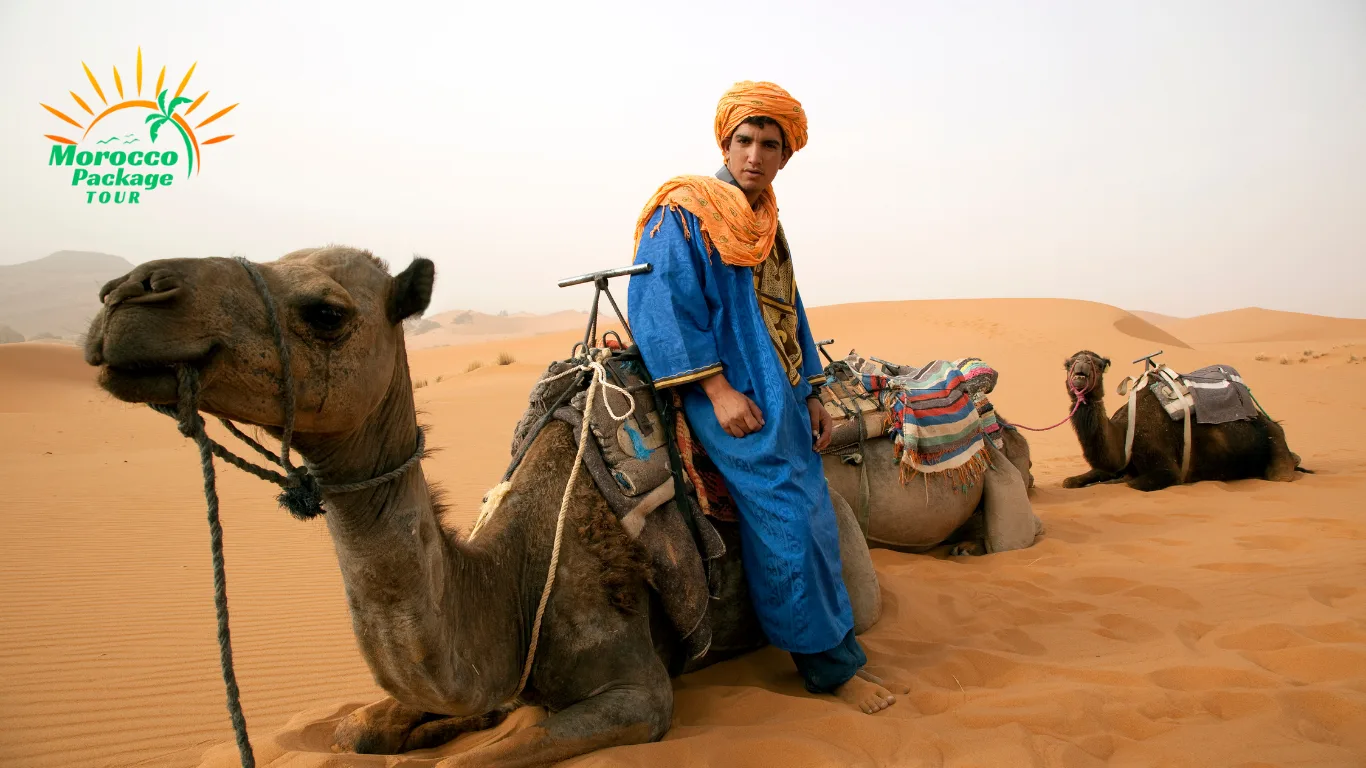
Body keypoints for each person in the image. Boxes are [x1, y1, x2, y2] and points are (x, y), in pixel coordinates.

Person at [626, 80, 899, 714]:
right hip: (722, 390)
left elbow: (790, 312)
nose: (754, 154)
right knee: (787, 516)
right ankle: (831, 669)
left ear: (785, 156)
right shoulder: (684, 212)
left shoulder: (767, 223)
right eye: (744, 140)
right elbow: (663, 308)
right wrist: (717, 391)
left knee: (815, 509)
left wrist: (808, 395)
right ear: (726, 142)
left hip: (780, 392)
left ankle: (827, 639)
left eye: (768, 144)